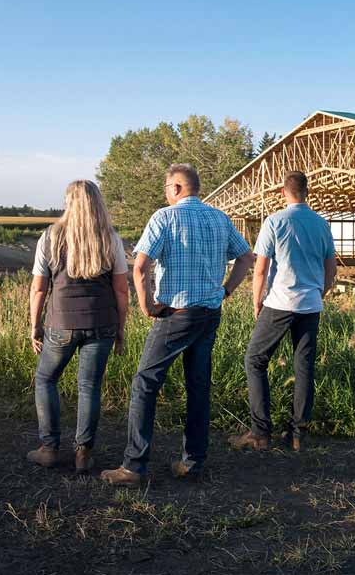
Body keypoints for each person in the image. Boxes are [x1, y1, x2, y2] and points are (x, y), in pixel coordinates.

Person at [100, 164, 254, 486]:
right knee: (198, 387)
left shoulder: (164, 218)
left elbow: (140, 267)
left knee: (145, 383)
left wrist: (146, 305)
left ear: (177, 188)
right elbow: (245, 257)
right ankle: (193, 462)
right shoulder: (219, 218)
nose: (165, 194)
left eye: (167, 188)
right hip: (209, 313)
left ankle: (134, 466)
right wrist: (226, 290)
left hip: (177, 314)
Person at [26, 180, 129, 474]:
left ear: (68, 202)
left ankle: (49, 448)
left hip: (61, 324)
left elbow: (38, 288)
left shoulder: (51, 236)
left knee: (46, 379)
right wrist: (120, 329)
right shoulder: (110, 237)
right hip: (102, 323)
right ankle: (83, 452)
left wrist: (35, 326)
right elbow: (122, 290)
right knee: (89, 387)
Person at [229, 171, 336, 453]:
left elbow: (261, 267)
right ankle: (298, 434)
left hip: (280, 302)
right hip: (311, 305)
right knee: (303, 367)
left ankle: (260, 432)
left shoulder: (275, 221)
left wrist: (257, 301)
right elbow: (331, 269)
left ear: (282, 192)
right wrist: (319, 293)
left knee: (255, 359)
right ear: (307, 192)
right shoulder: (321, 224)